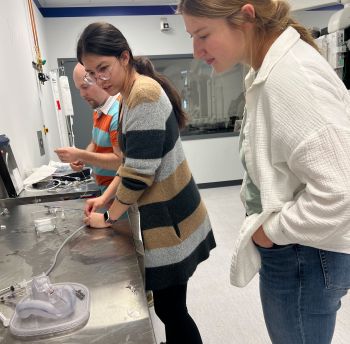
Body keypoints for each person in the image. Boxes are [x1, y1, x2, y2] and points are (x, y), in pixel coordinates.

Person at [178, 1, 350, 344]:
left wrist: (270, 231)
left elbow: (341, 194)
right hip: (298, 251)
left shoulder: (290, 78)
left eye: (203, 35)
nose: (197, 51)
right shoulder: (267, 70)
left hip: (303, 254)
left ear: (245, 16)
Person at [77, 22, 216, 344]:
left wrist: (109, 217)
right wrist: (106, 199)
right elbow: (129, 162)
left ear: (124, 58)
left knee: (171, 310)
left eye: (104, 68)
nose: (99, 80)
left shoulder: (143, 94)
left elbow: (140, 174)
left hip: (173, 219)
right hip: (168, 215)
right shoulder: (128, 95)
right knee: (170, 307)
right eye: (91, 73)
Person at [55, 63, 122, 193]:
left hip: (118, 195)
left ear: (99, 79)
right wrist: (80, 159)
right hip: (104, 190)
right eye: (79, 89)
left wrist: (81, 155)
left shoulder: (117, 114)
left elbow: (120, 162)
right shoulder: (99, 109)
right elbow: (94, 142)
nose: (82, 94)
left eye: (85, 87)